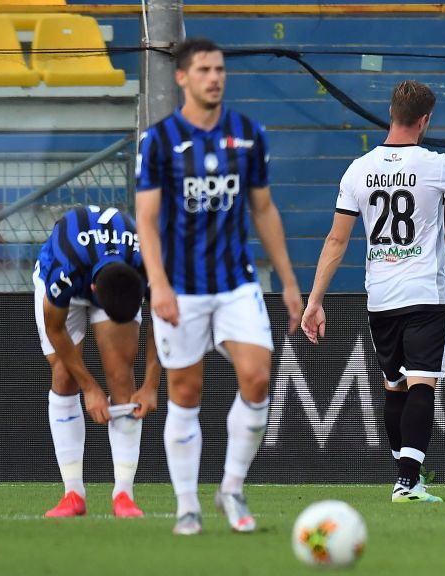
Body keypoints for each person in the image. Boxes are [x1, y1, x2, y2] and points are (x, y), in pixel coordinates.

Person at [300, 80, 445, 504]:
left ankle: (407, 478)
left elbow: (336, 241)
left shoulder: (357, 169)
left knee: (394, 387)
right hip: (425, 295)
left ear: (391, 113)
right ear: (425, 120)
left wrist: (315, 301)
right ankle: (407, 483)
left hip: (380, 297)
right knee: (422, 385)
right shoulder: (433, 164)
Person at [135, 37, 304, 535]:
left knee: (257, 376)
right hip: (180, 288)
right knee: (185, 393)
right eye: (205, 69)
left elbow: (264, 209)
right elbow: (146, 220)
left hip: (236, 282)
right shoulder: (159, 140)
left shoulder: (248, 134)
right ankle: (187, 504)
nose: (215, 77)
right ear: (182, 77)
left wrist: (290, 283)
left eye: (220, 69)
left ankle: (231, 487)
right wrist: (158, 284)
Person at [34, 205, 159, 518]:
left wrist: (151, 385)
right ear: (93, 291)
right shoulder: (65, 271)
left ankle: (124, 494)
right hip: (71, 278)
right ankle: (73, 493)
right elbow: (55, 328)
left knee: (122, 378)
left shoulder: (150, 265)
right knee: (64, 375)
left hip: (118, 270)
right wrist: (89, 388)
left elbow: (164, 321)